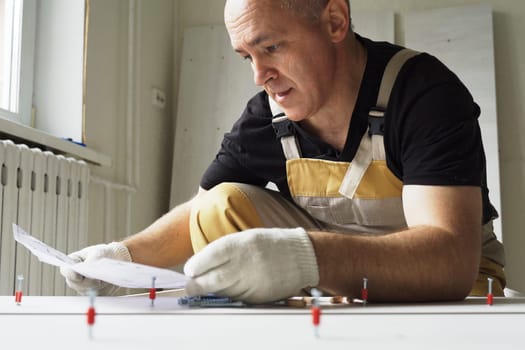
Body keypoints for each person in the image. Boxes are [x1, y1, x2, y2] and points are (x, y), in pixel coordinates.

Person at [60, 0, 506, 303]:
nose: (260, 75)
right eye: (246, 57)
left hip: (447, 288)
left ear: (334, 21)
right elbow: (199, 210)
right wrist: (121, 256)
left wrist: (305, 257)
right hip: (332, 281)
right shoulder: (268, 117)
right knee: (219, 206)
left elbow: (449, 260)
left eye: (271, 47)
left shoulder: (422, 93)